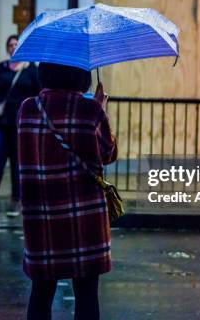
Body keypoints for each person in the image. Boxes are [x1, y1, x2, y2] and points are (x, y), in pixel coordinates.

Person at [17, 63, 117, 320]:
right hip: (84, 216)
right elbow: (108, 154)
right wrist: (101, 111)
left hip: (41, 214)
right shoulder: (90, 110)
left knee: (41, 291)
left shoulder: (28, 109)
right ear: (81, 74)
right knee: (86, 293)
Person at [0, 35, 40, 216]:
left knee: (17, 162)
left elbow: (39, 97)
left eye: (17, 44)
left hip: (20, 124)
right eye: (11, 45)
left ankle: (16, 199)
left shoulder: (32, 71)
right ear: (7, 49)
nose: (14, 47)